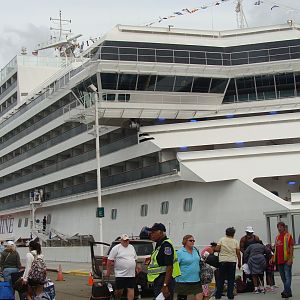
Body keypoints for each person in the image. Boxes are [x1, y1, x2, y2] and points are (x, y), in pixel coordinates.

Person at [146, 223, 181, 300]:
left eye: (153, 232)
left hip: (164, 280)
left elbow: (169, 266)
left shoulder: (166, 246)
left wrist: (165, 285)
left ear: (161, 232)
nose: (151, 234)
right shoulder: (159, 244)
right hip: (159, 280)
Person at [106, 234, 137, 300]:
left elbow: (135, 258)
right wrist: (108, 271)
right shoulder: (116, 248)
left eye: (127, 240)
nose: (126, 242)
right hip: (120, 274)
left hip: (131, 274)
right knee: (119, 291)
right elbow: (109, 260)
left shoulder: (131, 247)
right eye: (125, 240)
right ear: (121, 240)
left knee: (131, 288)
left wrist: (137, 267)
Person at [215, 227, 241, 300]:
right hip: (232, 261)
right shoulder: (235, 241)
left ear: (226, 233)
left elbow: (217, 249)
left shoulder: (222, 239)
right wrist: (239, 263)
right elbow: (238, 253)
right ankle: (230, 295)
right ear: (233, 234)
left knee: (221, 279)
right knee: (231, 279)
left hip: (223, 261)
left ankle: (218, 295)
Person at [175, 235, 203, 300]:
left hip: (196, 279)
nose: (192, 242)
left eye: (193, 241)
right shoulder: (179, 252)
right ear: (185, 241)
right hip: (183, 280)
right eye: (190, 240)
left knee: (200, 296)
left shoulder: (195, 250)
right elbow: (175, 266)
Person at [272, 222, 294, 299]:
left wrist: (290, 258)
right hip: (279, 260)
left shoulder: (288, 236)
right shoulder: (277, 237)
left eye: (280, 227)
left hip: (287, 260)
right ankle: (289, 292)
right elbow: (276, 249)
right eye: (278, 227)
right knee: (283, 278)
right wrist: (273, 258)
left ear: (284, 227)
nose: (279, 228)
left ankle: (285, 291)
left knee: (288, 277)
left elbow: (291, 248)